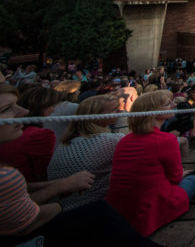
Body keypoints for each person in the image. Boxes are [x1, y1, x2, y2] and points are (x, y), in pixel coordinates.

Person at [0, 84, 161, 247]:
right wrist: (61, 194)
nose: (24, 112)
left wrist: (61, 184)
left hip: (54, 206)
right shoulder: (107, 140)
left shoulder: (67, 141)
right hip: (34, 230)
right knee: (100, 213)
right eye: (6, 109)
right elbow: (24, 221)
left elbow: (13, 196)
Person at [106, 90, 195, 237]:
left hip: (120, 211)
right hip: (151, 209)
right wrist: (183, 173)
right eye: (167, 104)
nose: (173, 105)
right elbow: (175, 179)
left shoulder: (124, 140)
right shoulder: (165, 140)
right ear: (153, 112)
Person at [47, 94, 123, 210]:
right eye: (114, 109)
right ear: (96, 117)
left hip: (59, 207)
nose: (120, 111)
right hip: (87, 209)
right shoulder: (110, 140)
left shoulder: (67, 141)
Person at [0, 85, 59, 182]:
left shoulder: (13, 133)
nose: (25, 111)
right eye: (52, 105)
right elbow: (44, 174)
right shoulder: (40, 135)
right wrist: (59, 186)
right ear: (42, 106)